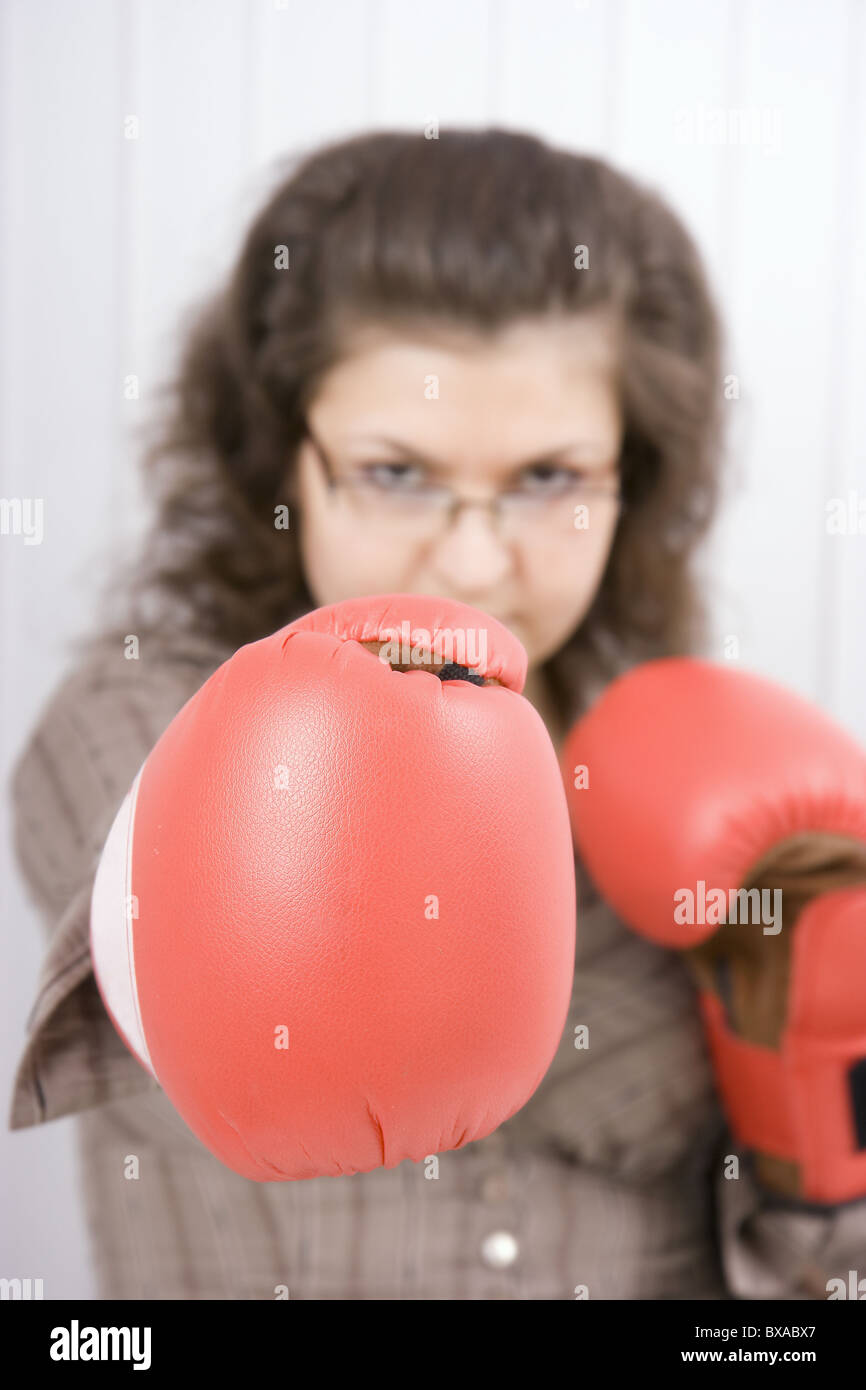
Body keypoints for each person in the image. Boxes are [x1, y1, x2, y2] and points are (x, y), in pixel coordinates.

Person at [9, 127, 865, 1300]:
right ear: (283, 458)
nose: (471, 560)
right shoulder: (137, 724)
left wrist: (815, 1095)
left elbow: (814, 1290)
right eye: (396, 473)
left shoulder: (691, 772)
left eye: (547, 478)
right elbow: (266, 1003)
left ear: (634, 474)